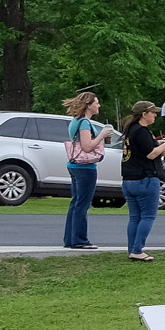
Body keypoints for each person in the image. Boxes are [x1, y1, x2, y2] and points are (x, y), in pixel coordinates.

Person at [119, 101, 165, 262]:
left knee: (135, 217)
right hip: (145, 179)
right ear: (144, 114)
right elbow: (151, 154)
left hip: (129, 180)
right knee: (148, 216)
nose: (155, 115)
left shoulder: (131, 130)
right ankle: (137, 250)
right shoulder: (142, 131)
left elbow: (160, 151)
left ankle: (133, 249)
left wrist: (164, 142)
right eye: (153, 112)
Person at [63, 90, 113, 250]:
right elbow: (87, 146)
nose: (99, 105)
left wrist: (104, 137)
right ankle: (80, 240)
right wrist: (101, 135)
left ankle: (70, 239)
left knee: (76, 202)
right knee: (82, 204)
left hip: (74, 165)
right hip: (85, 167)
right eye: (96, 103)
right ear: (88, 105)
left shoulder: (75, 120)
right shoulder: (84, 122)